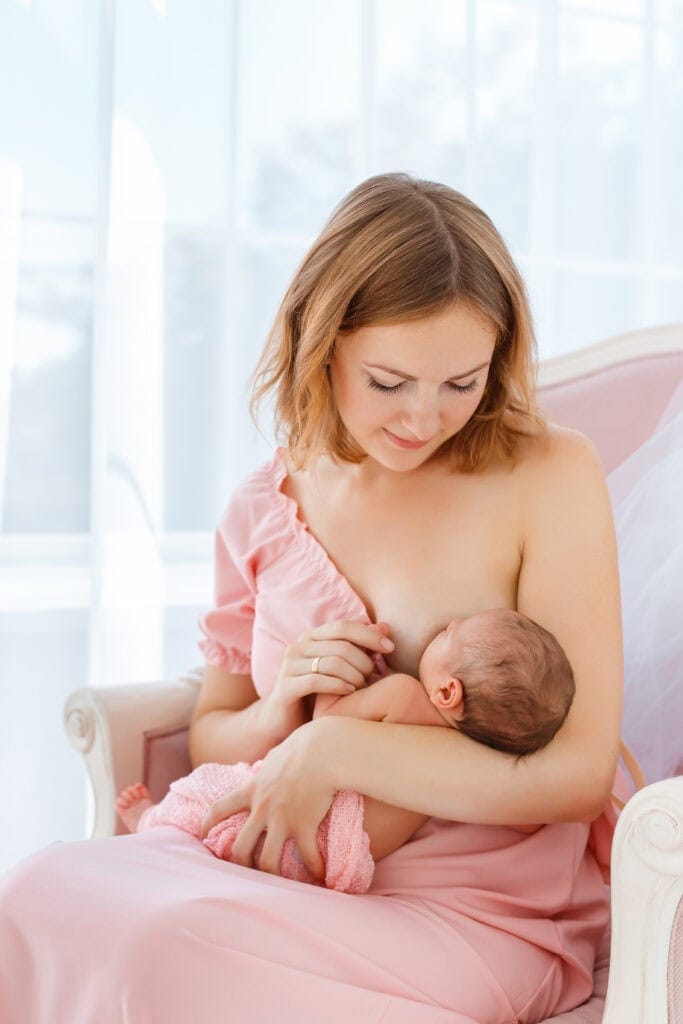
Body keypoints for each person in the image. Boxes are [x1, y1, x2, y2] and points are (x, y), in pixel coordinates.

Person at [0, 173, 624, 1024]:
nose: (424, 418)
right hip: (272, 865)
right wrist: (283, 711)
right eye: (389, 380)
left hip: (471, 910)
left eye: (461, 382)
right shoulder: (266, 505)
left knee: (170, 953)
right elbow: (215, 730)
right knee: (38, 891)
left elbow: (576, 775)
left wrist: (331, 752)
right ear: (322, 342)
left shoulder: (546, 473)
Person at [115, 608, 575, 893]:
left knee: (209, 799)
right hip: (335, 863)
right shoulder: (465, 759)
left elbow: (326, 730)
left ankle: (152, 820)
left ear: (449, 690)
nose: (446, 624)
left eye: (449, 635)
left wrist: (342, 673)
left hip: (311, 818)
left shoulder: (403, 695)